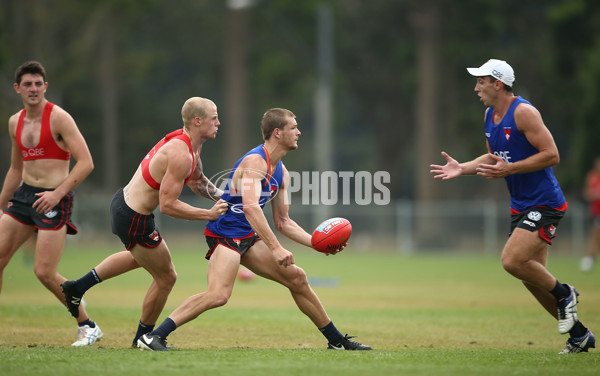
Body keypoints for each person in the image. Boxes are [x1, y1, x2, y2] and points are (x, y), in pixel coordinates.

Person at [137, 108, 372, 351]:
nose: (299, 132)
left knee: (298, 278)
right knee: (218, 295)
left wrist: (316, 243)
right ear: (278, 133)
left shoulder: (281, 172)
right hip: (225, 234)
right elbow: (250, 208)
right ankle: (153, 337)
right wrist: (276, 248)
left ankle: (336, 341)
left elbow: (283, 222)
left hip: (247, 235)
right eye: (294, 127)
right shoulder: (254, 163)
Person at [430, 59, 595, 354]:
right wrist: (462, 168)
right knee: (532, 278)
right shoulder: (489, 116)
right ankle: (580, 336)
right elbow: (494, 158)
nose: (476, 87)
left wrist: (511, 169)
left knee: (512, 262)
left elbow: (552, 155)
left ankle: (566, 293)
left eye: (481, 81)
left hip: (545, 202)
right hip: (521, 206)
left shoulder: (525, 112)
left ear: (498, 83)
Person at [60, 97, 228, 347]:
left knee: (139, 257)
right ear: (198, 121)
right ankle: (144, 338)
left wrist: (228, 198)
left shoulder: (190, 145)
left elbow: (198, 181)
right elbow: (169, 205)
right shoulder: (180, 152)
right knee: (167, 277)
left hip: (124, 206)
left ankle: (78, 287)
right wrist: (209, 214)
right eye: (214, 118)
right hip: (134, 218)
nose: (219, 122)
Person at [0, 61, 97, 346]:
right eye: (27, 84)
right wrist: (2, 202)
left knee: (43, 271)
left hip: (55, 197)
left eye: (38, 84)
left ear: (45, 86)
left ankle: (87, 325)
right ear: (17, 88)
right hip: (24, 196)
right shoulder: (14, 122)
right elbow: (16, 170)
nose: (33, 89)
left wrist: (57, 193)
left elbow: (86, 163)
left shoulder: (59, 118)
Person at [580, 156, 600, 272]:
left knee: (596, 237)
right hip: (596, 213)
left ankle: (589, 260)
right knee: (596, 237)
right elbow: (587, 194)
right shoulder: (592, 177)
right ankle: (589, 259)